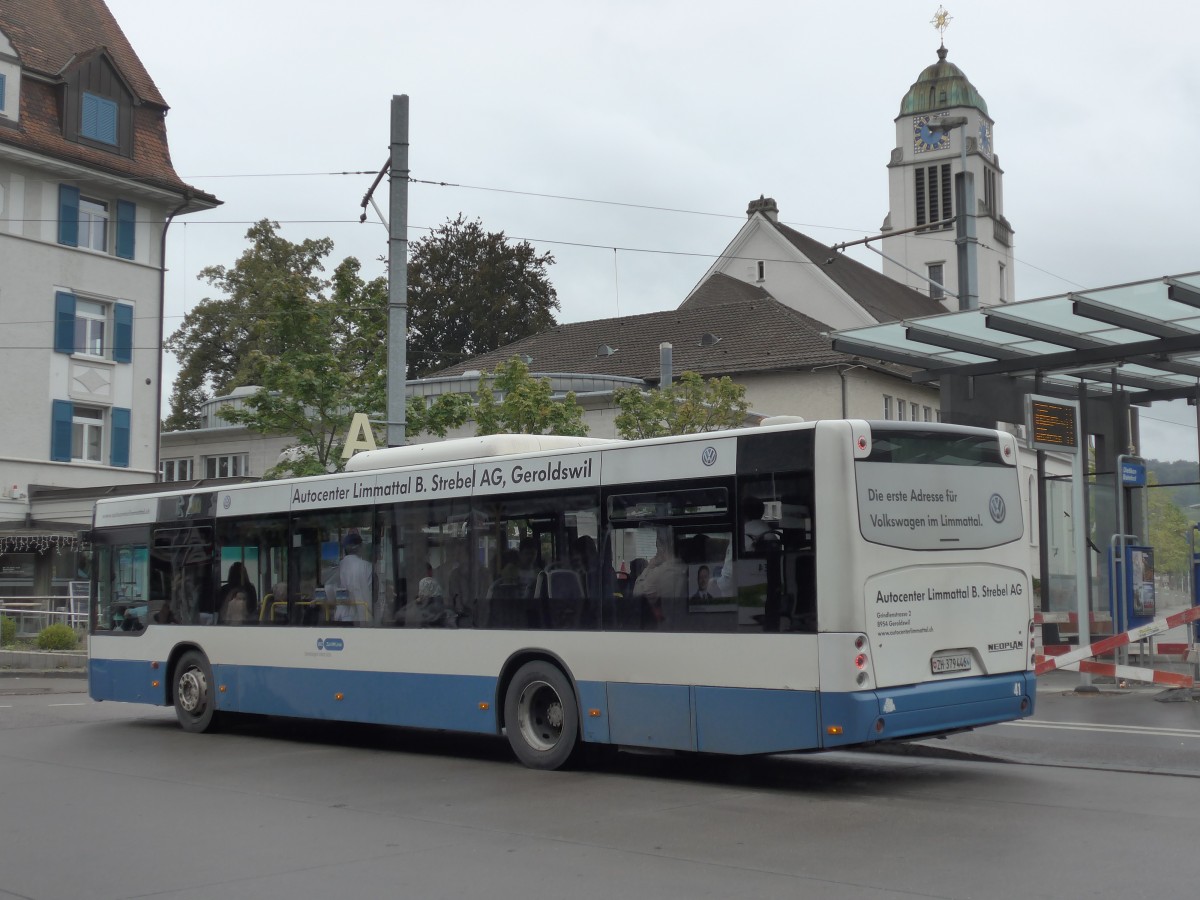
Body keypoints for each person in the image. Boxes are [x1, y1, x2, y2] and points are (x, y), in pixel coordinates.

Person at [632, 528, 686, 627]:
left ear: (661, 546)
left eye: (657, 545)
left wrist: (649, 568)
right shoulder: (684, 567)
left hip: (663, 627)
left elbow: (637, 592)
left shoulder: (661, 572)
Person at [332, 533, 372, 624]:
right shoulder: (367, 566)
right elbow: (370, 593)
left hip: (341, 615)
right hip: (361, 617)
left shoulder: (338, 567)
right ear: (360, 547)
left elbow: (330, 590)